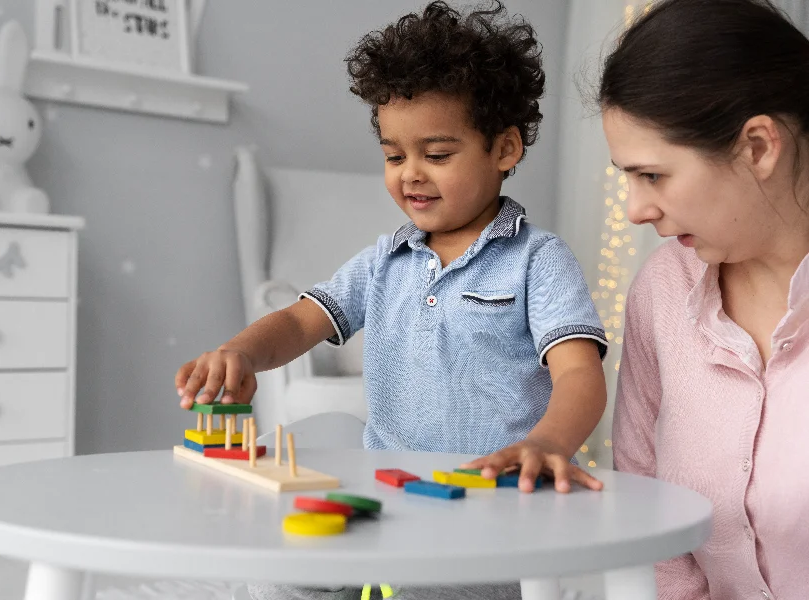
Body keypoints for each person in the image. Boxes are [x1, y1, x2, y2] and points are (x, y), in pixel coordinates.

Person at [176, 2, 608, 598]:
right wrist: (243, 353)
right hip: (391, 491)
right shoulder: (384, 260)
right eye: (393, 155)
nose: (410, 174)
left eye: (436, 155)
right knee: (286, 571)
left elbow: (580, 371)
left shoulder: (540, 259)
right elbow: (304, 319)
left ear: (504, 149)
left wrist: (549, 442)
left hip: (495, 504)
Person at [596, 0, 809, 597]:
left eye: (654, 175)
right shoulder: (663, 292)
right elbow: (644, 499)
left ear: (759, 147)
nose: (637, 210)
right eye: (627, 178)